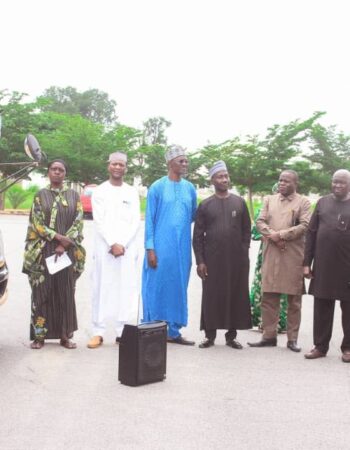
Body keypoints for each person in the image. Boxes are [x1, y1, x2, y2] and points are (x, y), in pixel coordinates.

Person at [23, 159, 85, 349]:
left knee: (65, 293)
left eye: (61, 170)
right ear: (48, 172)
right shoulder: (40, 196)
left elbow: (79, 221)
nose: (57, 172)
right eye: (54, 169)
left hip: (66, 254)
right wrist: (59, 238)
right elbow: (37, 223)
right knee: (42, 295)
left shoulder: (74, 196)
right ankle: (39, 336)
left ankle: (65, 336)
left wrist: (65, 244)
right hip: (43, 252)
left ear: (65, 174)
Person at [248, 170, 311, 352]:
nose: (282, 183)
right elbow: (259, 222)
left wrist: (281, 235)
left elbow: (305, 225)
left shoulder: (304, 202)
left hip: (292, 255)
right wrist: (272, 235)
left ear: (295, 183)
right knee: (269, 296)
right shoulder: (269, 199)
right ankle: (269, 336)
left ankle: (292, 339)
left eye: (286, 181)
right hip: (272, 253)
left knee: (294, 300)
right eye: (280, 180)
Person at [193, 161, 252, 349]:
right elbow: (197, 237)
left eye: (226, 176)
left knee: (235, 295)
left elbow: (246, 231)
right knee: (212, 296)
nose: (224, 179)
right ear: (212, 180)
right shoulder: (205, 205)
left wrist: (243, 252)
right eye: (220, 176)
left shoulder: (239, 202)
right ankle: (209, 336)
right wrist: (200, 261)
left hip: (236, 260)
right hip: (212, 260)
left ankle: (231, 336)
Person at [142, 144, 197, 345]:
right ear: (170, 162)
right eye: (181, 160)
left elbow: (192, 215)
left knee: (178, 286)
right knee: (156, 286)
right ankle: (152, 330)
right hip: (159, 248)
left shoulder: (190, 188)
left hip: (181, 249)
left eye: (186, 160)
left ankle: (173, 332)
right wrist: (150, 248)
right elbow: (149, 219)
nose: (185, 163)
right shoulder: (157, 187)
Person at [87, 152, 140, 349]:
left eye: (121, 165)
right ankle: (98, 331)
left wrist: (122, 244)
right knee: (101, 288)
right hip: (105, 248)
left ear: (125, 168)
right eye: (114, 164)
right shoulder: (100, 191)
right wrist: (112, 243)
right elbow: (99, 220)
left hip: (126, 249)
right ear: (108, 166)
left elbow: (135, 220)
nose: (118, 167)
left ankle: (122, 332)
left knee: (125, 289)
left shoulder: (131, 191)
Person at [304, 170, 350, 363]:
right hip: (323, 265)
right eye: (335, 182)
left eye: (342, 183)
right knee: (322, 306)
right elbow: (311, 232)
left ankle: (348, 348)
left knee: (348, 309)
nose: (338, 186)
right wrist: (307, 263)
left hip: (347, 266)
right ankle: (320, 346)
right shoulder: (322, 202)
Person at [250, 184, 288, 333]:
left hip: (285, 252)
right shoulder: (264, 208)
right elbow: (255, 232)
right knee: (263, 286)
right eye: (277, 192)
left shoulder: (293, 208)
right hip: (266, 253)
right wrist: (270, 236)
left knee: (283, 287)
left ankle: (281, 323)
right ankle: (262, 322)